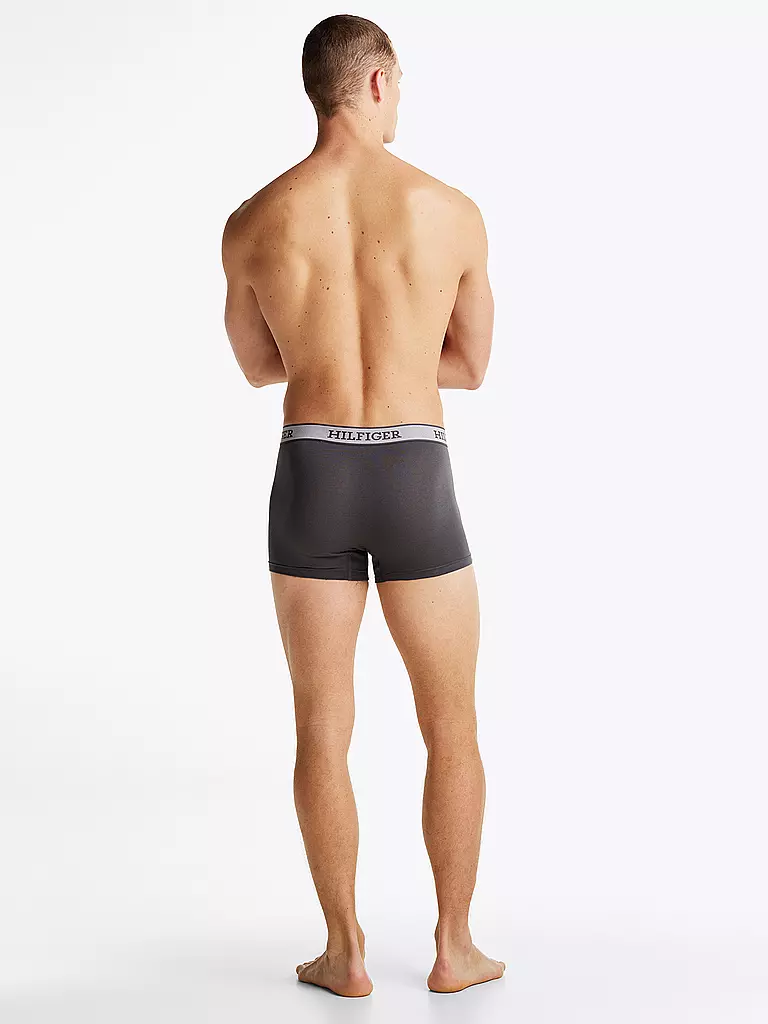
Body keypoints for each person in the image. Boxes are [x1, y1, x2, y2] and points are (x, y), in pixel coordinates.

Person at [221, 13, 502, 998]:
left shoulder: (254, 220)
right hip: (414, 474)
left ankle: (344, 952)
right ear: (377, 82)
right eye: (399, 85)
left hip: (312, 475)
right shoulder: (450, 210)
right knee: (452, 727)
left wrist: (325, 352)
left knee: (321, 730)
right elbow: (472, 364)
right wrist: (402, 352)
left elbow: (258, 364)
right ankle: (455, 947)